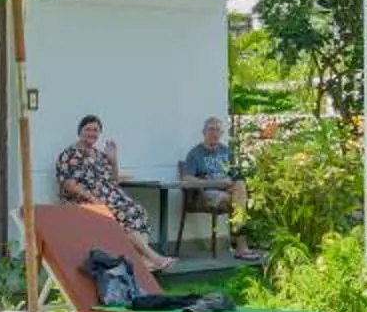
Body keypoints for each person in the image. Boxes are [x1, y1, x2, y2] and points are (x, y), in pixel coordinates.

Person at [55, 114, 174, 271]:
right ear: (80, 132)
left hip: (109, 197)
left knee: (138, 211)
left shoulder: (98, 155)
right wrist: (93, 199)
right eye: (88, 129)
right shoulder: (69, 154)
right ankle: (152, 257)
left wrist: (113, 161)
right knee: (123, 214)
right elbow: (69, 184)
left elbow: (114, 180)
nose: (91, 133)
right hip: (82, 201)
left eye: (95, 130)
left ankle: (142, 258)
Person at [178, 117, 262, 261]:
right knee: (240, 201)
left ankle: (241, 247)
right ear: (204, 132)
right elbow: (186, 178)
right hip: (206, 194)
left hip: (227, 191)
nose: (215, 133)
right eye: (211, 129)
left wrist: (231, 181)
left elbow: (234, 174)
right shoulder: (195, 154)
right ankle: (242, 246)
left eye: (218, 130)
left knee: (240, 185)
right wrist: (216, 182)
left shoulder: (226, 151)